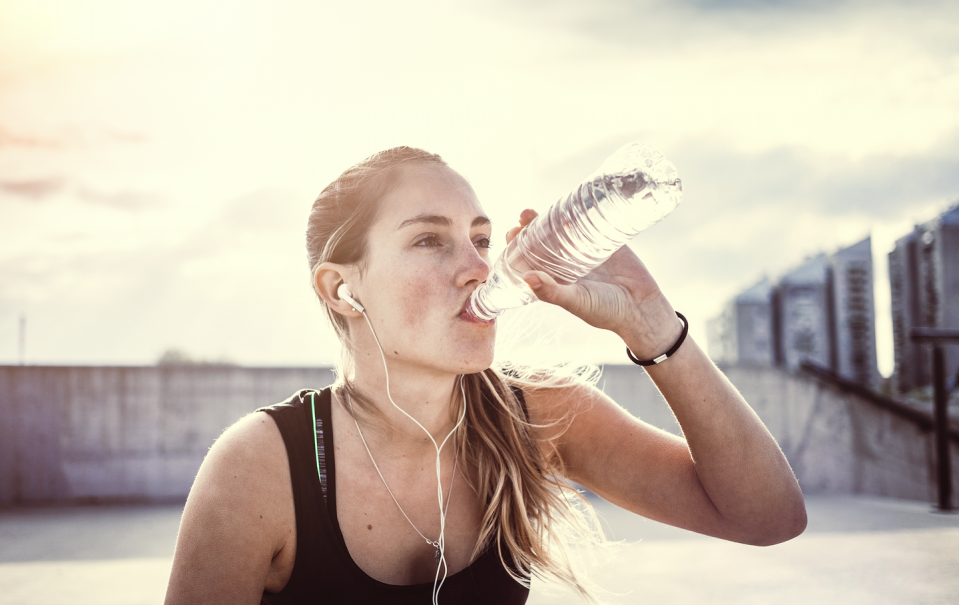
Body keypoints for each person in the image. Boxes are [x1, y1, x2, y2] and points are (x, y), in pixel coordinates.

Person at [164, 147, 806, 605]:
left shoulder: (537, 417)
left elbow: (768, 517)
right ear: (343, 289)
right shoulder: (262, 467)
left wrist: (652, 325)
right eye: (428, 240)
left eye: (480, 239)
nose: (477, 266)